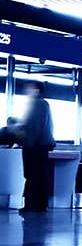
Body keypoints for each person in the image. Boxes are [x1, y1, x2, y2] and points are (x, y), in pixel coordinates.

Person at [7, 79, 55, 213]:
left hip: (35, 146)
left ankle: (32, 204)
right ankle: (39, 204)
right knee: (39, 175)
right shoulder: (43, 104)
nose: (27, 90)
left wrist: (24, 141)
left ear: (37, 90)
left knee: (33, 175)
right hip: (40, 145)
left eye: (30, 88)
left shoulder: (37, 104)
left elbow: (34, 128)